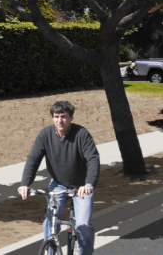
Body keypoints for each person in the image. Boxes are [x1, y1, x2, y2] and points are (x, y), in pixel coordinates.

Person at [19, 101, 99, 255]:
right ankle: (51, 252)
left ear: (71, 118)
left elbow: (93, 159)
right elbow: (33, 159)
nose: (59, 120)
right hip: (58, 184)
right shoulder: (45, 134)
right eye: (56, 117)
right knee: (50, 221)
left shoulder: (82, 134)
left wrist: (89, 184)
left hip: (81, 186)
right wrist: (25, 184)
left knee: (83, 225)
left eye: (63, 117)